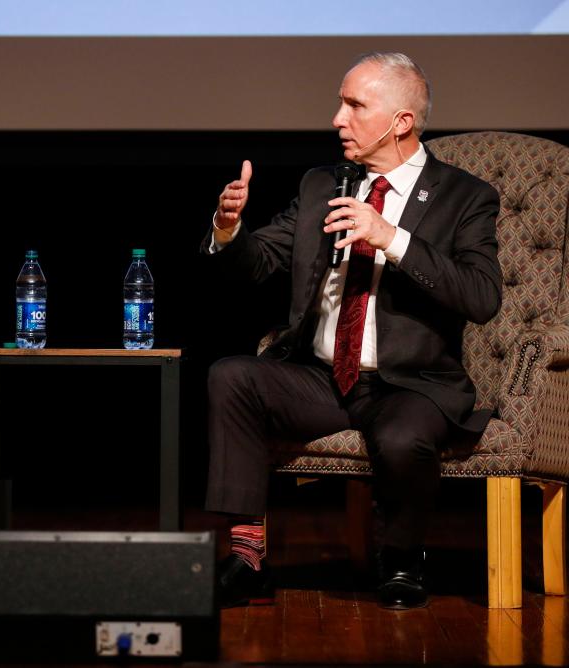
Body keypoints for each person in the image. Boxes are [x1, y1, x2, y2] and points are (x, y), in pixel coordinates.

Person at [203, 52, 501, 610]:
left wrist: (391, 236)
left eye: (354, 105)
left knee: (400, 438)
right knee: (232, 377)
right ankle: (246, 558)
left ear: (401, 122)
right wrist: (229, 228)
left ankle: (403, 559)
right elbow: (258, 262)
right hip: (321, 378)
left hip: (411, 384)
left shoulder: (465, 196)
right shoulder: (324, 184)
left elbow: (482, 297)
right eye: (341, 102)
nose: (337, 118)